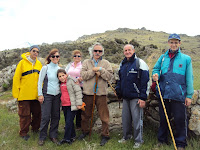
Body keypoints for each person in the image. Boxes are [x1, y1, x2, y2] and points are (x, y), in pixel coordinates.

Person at [152, 33, 194, 150]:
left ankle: (181, 143)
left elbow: (189, 78)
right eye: (171, 42)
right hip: (164, 94)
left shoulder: (186, 59)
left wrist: (189, 96)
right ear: (168, 43)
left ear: (179, 43)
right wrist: (155, 75)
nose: (173, 44)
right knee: (163, 119)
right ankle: (162, 140)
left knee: (180, 120)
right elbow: (156, 69)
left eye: (176, 42)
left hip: (178, 95)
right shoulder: (163, 57)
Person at [78, 42, 113, 146]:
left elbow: (109, 76)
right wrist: (93, 71)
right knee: (85, 115)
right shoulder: (86, 62)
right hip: (88, 93)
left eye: (100, 51)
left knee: (104, 116)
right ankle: (85, 131)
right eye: (95, 51)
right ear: (92, 52)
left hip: (101, 94)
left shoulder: (106, 63)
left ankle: (105, 135)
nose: (97, 53)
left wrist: (101, 70)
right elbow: (83, 75)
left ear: (102, 52)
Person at [115, 44, 149, 149]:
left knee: (137, 120)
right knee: (125, 119)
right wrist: (118, 91)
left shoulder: (140, 63)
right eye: (125, 50)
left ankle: (139, 140)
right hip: (125, 97)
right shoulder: (123, 63)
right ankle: (126, 137)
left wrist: (143, 97)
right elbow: (120, 79)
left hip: (136, 97)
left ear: (133, 50)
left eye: (129, 50)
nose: (127, 52)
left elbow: (145, 82)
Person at [12, 45, 42, 141]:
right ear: (30, 52)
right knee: (25, 115)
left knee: (37, 113)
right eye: (34, 51)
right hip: (24, 95)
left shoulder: (39, 64)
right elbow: (16, 78)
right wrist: (16, 94)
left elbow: (41, 80)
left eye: (37, 51)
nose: (35, 53)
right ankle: (23, 133)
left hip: (36, 95)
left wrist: (40, 92)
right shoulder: (22, 63)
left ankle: (35, 129)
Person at [37, 48, 61, 146]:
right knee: (46, 117)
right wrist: (40, 94)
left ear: (59, 58)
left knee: (56, 116)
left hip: (57, 96)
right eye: (53, 56)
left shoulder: (59, 68)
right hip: (47, 95)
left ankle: (53, 135)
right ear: (50, 57)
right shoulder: (45, 68)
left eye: (57, 56)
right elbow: (39, 82)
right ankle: (42, 137)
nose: (55, 58)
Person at [57, 69, 83, 145]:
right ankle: (73, 136)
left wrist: (79, 103)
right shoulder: (60, 84)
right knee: (69, 121)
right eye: (60, 76)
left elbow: (78, 92)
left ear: (66, 75)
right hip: (65, 105)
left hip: (72, 105)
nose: (62, 77)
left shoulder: (71, 81)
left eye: (63, 75)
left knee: (68, 122)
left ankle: (66, 138)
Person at [65, 50, 83, 129]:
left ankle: (78, 125)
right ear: (73, 57)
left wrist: (81, 78)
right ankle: (69, 124)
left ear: (81, 57)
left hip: (79, 87)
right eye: (75, 56)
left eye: (78, 56)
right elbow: (65, 74)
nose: (77, 57)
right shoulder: (69, 65)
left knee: (79, 106)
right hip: (69, 88)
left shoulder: (82, 66)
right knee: (70, 105)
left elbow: (85, 75)